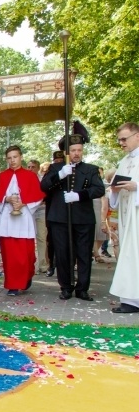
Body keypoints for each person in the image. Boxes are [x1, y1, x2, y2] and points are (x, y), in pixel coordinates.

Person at [40, 129, 105, 301]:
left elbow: (99, 189)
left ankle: (82, 288)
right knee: (62, 254)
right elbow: (44, 186)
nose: (77, 153)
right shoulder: (55, 168)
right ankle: (66, 287)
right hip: (60, 218)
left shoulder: (90, 169)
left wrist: (79, 195)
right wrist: (60, 175)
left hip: (83, 219)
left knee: (84, 254)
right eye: (73, 150)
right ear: (67, 152)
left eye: (79, 150)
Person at [0, 146, 45, 296]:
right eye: (9, 158)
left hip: (24, 218)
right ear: (6, 159)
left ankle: (25, 278)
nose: (12, 160)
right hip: (7, 219)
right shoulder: (1, 176)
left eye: (15, 157)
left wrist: (24, 204)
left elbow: (38, 197)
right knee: (9, 254)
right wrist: (6, 199)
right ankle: (12, 284)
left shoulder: (30, 176)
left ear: (21, 157)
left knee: (25, 253)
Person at [108, 122, 139, 313]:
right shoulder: (124, 161)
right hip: (128, 216)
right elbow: (115, 188)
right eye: (119, 139)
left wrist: (136, 187)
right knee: (129, 255)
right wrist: (115, 188)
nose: (121, 143)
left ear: (137, 136)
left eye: (124, 139)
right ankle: (130, 299)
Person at [44, 151, 66, 277]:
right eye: (56, 160)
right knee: (51, 240)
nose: (58, 162)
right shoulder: (51, 172)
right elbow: (45, 187)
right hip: (52, 211)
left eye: (60, 160)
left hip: (66, 210)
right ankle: (51, 264)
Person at [27, 159, 48, 273]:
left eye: (33, 167)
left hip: (40, 210)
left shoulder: (42, 181)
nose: (30, 169)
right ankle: (29, 264)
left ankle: (43, 264)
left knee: (41, 237)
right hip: (27, 211)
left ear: (38, 168)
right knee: (28, 238)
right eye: (29, 167)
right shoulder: (24, 179)